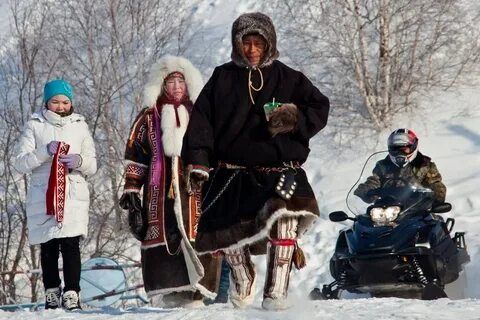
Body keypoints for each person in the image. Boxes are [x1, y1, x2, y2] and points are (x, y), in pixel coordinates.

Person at [182, 13, 330, 310]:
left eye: (257, 43)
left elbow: (320, 105)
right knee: (225, 232)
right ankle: (244, 275)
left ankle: (276, 292)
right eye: (245, 42)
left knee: (284, 221)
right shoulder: (222, 77)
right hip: (231, 172)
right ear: (237, 44)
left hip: (279, 170)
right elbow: (201, 124)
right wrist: (198, 161)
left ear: (269, 44)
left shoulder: (288, 77)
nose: (251, 49)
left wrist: (293, 117)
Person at [119, 55, 220, 308]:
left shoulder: (201, 114)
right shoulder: (148, 117)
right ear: (161, 85)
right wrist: (132, 190)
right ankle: (171, 292)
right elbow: (136, 155)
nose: (176, 87)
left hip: (195, 190)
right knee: (164, 236)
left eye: (180, 81)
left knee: (197, 234)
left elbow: (213, 151)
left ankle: (196, 293)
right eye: (170, 81)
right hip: (158, 192)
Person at [14, 79, 97, 310]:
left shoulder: (80, 125)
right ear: (46, 102)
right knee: (48, 244)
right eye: (55, 102)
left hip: (73, 193)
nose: (60, 106)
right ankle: (52, 292)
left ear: (71, 102)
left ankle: (72, 292)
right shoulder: (34, 125)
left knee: (71, 244)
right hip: (44, 194)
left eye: (65, 102)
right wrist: (44, 152)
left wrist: (79, 161)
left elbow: (93, 164)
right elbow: (19, 162)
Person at [354, 128, 446, 204]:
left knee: (433, 223)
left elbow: (435, 183)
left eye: (404, 149)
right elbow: (374, 180)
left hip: (416, 209)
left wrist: (437, 195)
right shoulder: (383, 166)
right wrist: (366, 190)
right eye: (395, 149)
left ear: (413, 147)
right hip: (388, 209)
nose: (399, 153)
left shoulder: (424, 165)